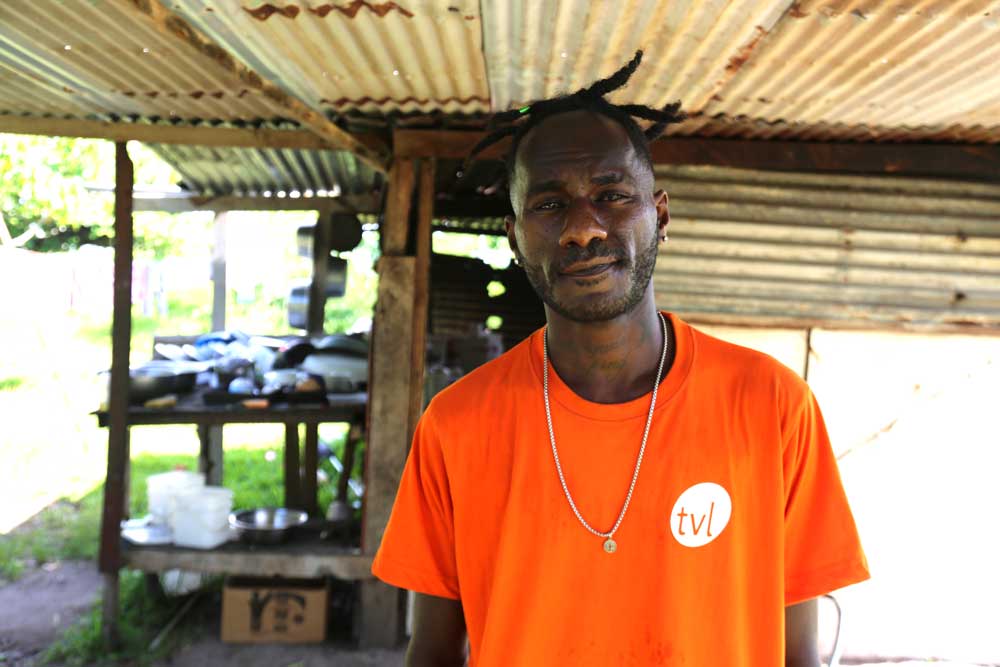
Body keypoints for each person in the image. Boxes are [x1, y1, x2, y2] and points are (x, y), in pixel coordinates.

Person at [372, 51, 869, 666]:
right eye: (550, 205)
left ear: (659, 215)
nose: (584, 228)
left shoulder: (771, 404)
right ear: (515, 236)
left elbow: (801, 653)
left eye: (611, 195)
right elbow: (434, 649)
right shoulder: (456, 424)